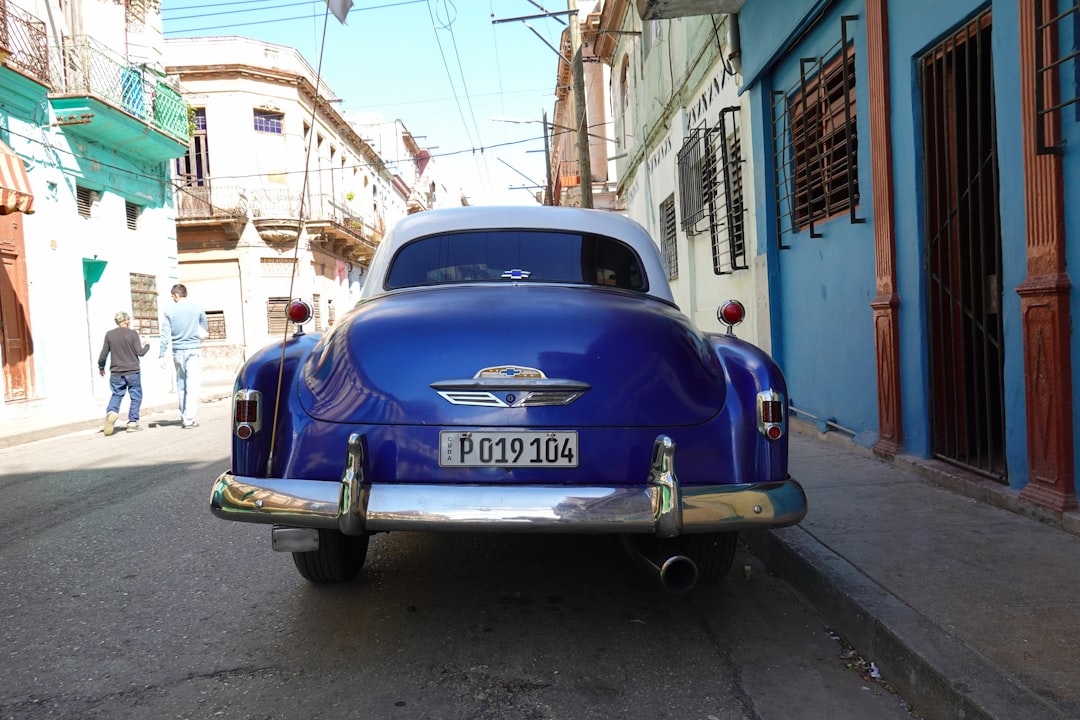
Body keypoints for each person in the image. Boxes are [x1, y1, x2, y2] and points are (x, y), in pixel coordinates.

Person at [159, 283, 208, 429]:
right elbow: (204, 324)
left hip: (177, 351)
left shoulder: (168, 310)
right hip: (193, 350)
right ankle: (189, 419)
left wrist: (161, 354)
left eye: (172, 296)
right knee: (192, 386)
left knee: (181, 385)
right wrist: (198, 334)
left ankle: (184, 416)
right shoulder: (197, 307)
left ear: (176, 295)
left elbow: (165, 334)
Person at [98, 311, 151, 435]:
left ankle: (112, 412)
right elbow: (140, 352)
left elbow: (103, 354)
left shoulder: (109, 335)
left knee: (117, 394)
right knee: (135, 396)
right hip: (132, 371)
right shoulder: (132, 334)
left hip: (116, 373)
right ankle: (132, 422)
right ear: (127, 322)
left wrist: (101, 367)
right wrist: (147, 345)